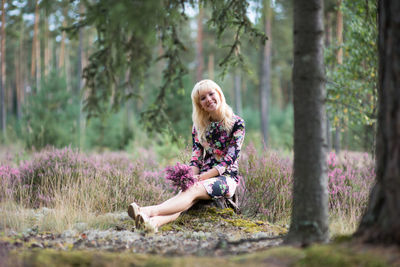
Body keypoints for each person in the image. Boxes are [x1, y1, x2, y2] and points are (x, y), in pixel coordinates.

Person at [128, 79, 245, 232]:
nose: (208, 99)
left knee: (193, 190)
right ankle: (151, 224)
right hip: (201, 179)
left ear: (219, 94)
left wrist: (201, 179)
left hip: (226, 179)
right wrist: (190, 178)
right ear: (200, 104)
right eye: (203, 98)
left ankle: (146, 211)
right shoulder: (199, 127)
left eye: (211, 94)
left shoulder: (237, 123)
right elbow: (196, 159)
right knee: (185, 196)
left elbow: (228, 161)